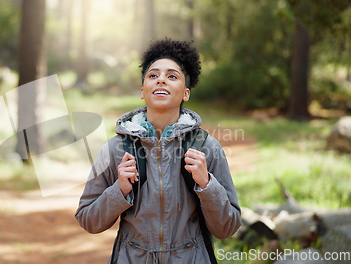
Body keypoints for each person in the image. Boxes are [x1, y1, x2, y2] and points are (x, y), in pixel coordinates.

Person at [75, 38, 241, 264]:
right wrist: (120, 190)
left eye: (172, 76)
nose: (161, 80)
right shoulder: (116, 149)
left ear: (186, 93)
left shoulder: (207, 148)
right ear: (143, 91)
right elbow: (88, 220)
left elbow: (227, 227)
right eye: (153, 75)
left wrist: (207, 184)